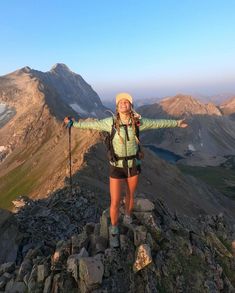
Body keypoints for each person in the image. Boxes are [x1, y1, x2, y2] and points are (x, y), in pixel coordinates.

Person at [64, 92, 188, 248]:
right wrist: (74, 124)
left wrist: (177, 123)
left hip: (133, 164)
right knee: (115, 201)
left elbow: (157, 123)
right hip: (116, 166)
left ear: (131, 105)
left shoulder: (138, 122)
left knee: (130, 195)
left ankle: (128, 218)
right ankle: (114, 229)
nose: (124, 104)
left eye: (126, 102)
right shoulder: (110, 122)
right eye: (121, 102)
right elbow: (92, 124)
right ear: (117, 106)